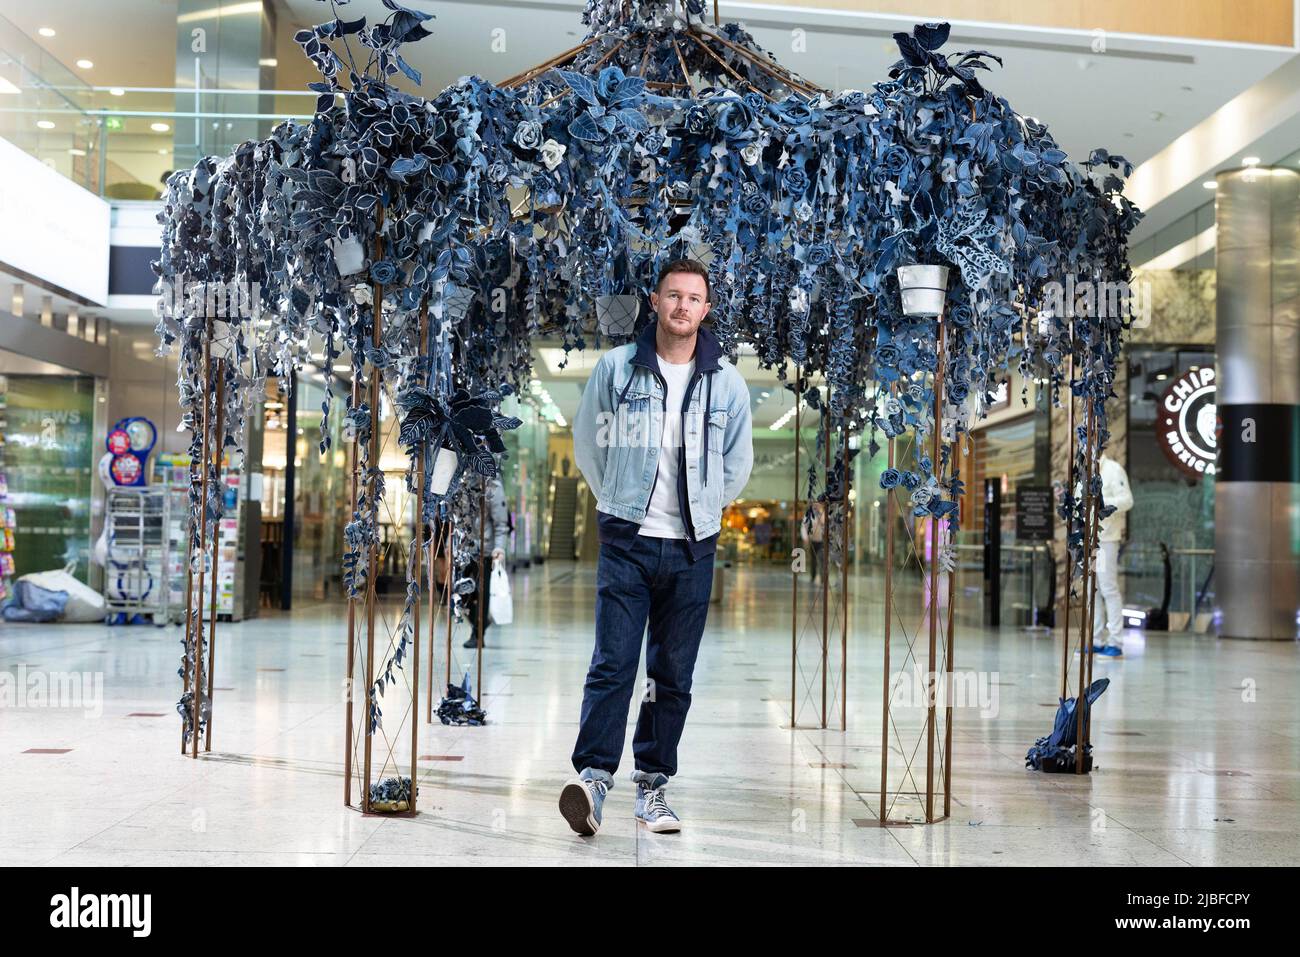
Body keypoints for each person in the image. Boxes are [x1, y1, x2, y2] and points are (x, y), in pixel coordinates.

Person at [559, 258, 753, 836]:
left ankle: (653, 787)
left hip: (693, 547)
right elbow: (589, 443)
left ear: (706, 309)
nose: (682, 307)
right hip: (628, 542)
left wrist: (707, 507)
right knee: (613, 665)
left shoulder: (728, 382)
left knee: (672, 673)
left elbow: (736, 462)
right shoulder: (618, 370)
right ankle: (594, 781)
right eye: (673, 295)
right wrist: (617, 500)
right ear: (655, 300)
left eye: (694, 298)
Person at [1092, 453, 1134, 658]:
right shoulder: (1084, 470)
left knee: (1108, 588)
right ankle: (1096, 640)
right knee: (1095, 590)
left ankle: (1116, 642)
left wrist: (1101, 501)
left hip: (1107, 538)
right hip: (1090, 539)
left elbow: (1127, 500)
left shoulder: (1113, 470)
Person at [462, 473, 508, 649]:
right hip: (465, 548)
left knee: (482, 593)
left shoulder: (493, 486)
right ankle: (479, 622)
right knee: (462, 591)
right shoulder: (464, 482)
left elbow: (501, 522)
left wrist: (499, 548)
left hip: (485, 549)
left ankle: (477, 633)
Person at [800, 500, 826, 585]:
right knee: (813, 560)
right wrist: (805, 537)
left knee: (822, 560)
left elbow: (826, 524)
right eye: (815, 504)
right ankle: (813, 576)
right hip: (812, 541)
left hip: (822, 541)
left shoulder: (824, 514)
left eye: (818, 504)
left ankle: (822, 578)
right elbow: (804, 526)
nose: (816, 506)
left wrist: (821, 514)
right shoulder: (808, 515)